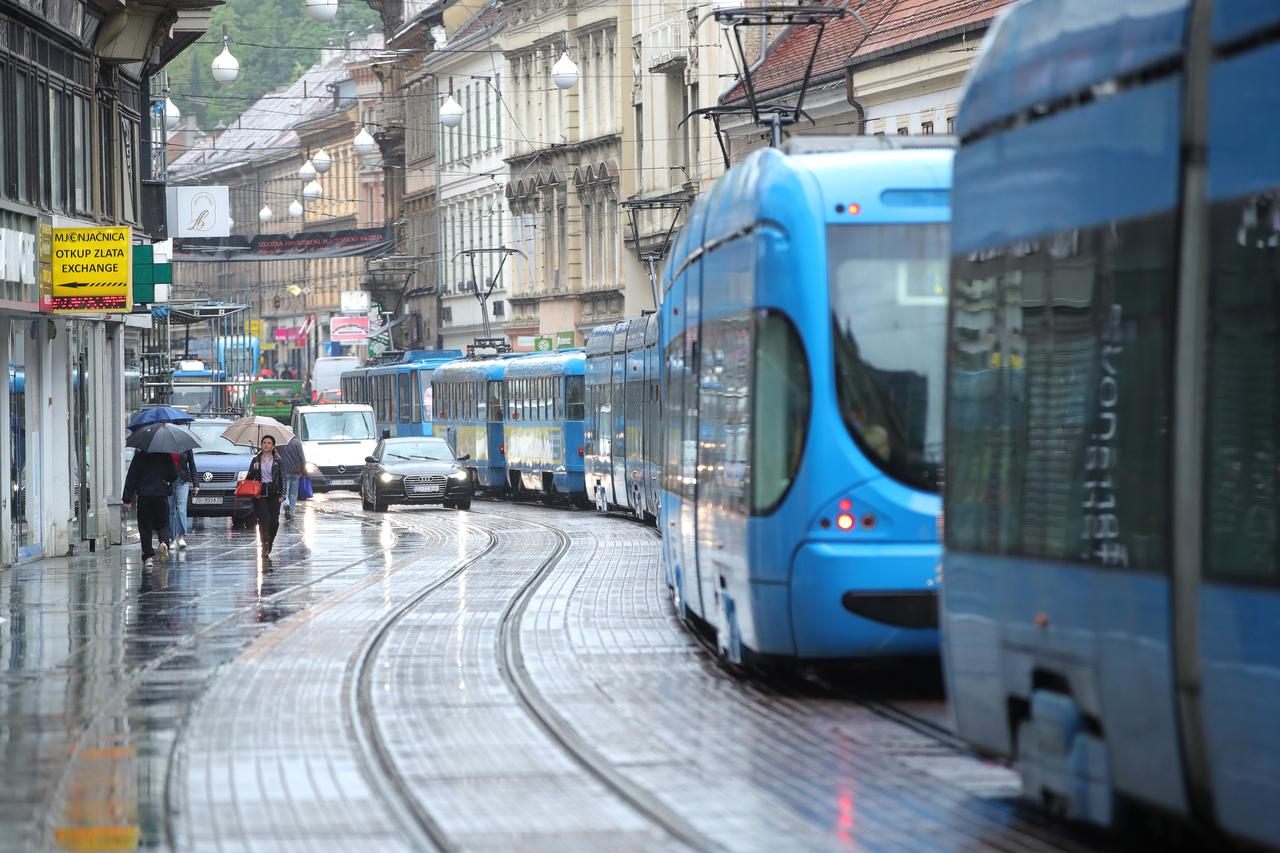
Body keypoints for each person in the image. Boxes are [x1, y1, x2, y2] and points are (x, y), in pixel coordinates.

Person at [123, 450, 178, 568]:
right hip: (160, 496)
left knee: (145, 527)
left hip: (144, 496)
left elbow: (131, 477)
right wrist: (165, 477)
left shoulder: (139, 456)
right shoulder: (165, 455)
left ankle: (148, 556)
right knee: (163, 524)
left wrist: (127, 499)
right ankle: (163, 542)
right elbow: (174, 475)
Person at [244, 434, 285, 560]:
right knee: (264, 520)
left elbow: (283, 477)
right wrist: (254, 470)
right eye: (264, 443)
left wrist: (283, 493)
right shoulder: (256, 460)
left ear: (273, 446)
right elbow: (249, 478)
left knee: (274, 522)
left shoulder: (278, 461)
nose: (266, 445)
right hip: (260, 494)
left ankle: (270, 541)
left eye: (269, 443)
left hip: (274, 493)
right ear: (261, 445)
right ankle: (265, 544)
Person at [169, 449, 197, 550]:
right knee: (170, 510)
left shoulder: (186, 446)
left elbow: (192, 465)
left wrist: (196, 484)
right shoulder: (166, 445)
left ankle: (181, 537)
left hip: (182, 481)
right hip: (168, 481)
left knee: (181, 508)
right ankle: (172, 538)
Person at [278, 435, 307, 520]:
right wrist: (304, 470)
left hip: (284, 471)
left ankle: (286, 504)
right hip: (296, 471)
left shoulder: (281, 443)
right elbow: (302, 457)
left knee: (284, 491)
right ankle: (292, 511)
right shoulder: (297, 442)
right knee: (294, 494)